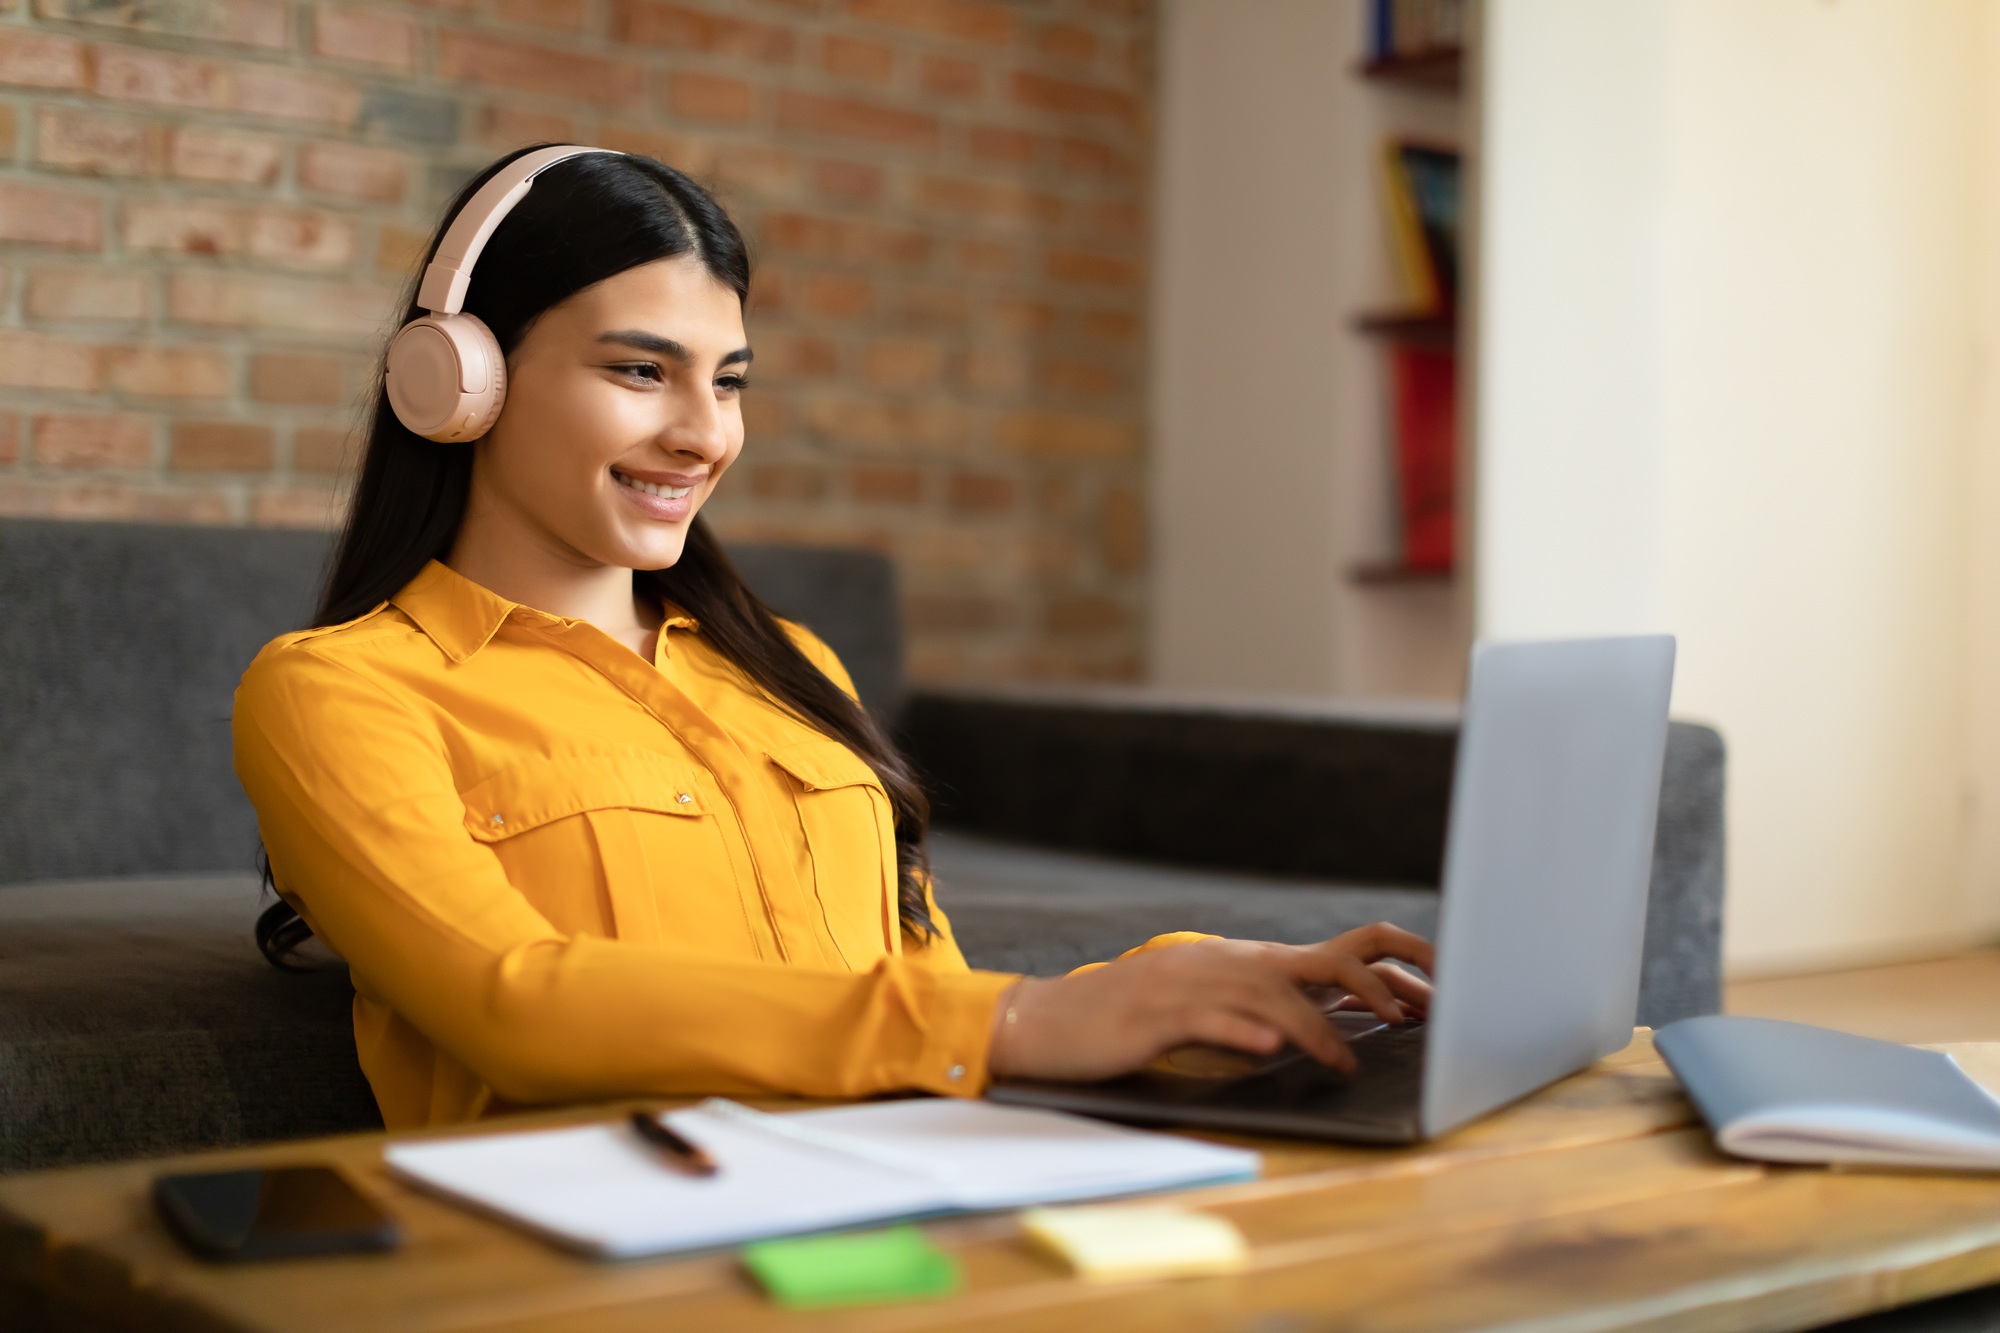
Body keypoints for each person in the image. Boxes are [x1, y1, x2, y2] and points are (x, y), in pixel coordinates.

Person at [233, 146, 1435, 1131]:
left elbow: (919, 1004)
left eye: (731, 381)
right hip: (611, 1250)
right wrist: (1014, 1027)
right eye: (642, 370)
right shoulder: (338, 692)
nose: (704, 435)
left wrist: (1178, 985)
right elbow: (509, 1002)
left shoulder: (790, 664)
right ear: (459, 378)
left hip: (892, 1177)